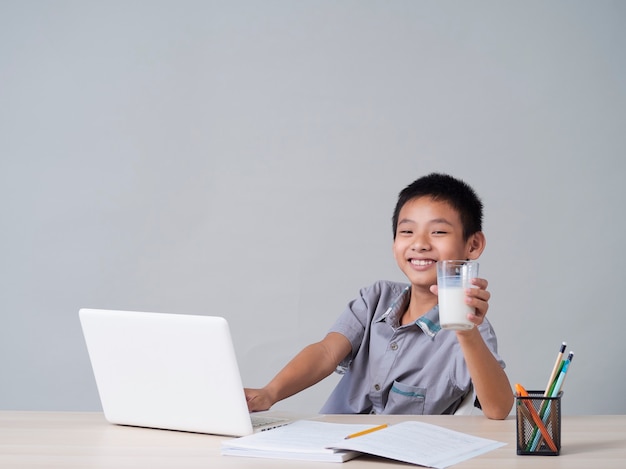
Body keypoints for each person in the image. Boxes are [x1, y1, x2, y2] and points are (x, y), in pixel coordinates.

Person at [245, 173, 513, 419]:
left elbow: (499, 408)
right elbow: (326, 352)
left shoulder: (472, 331)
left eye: (438, 232)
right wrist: (270, 393)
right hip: (331, 444)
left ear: (473, 244)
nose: (419, 244)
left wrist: (466, 333)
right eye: (407, 231)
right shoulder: (376, 299)